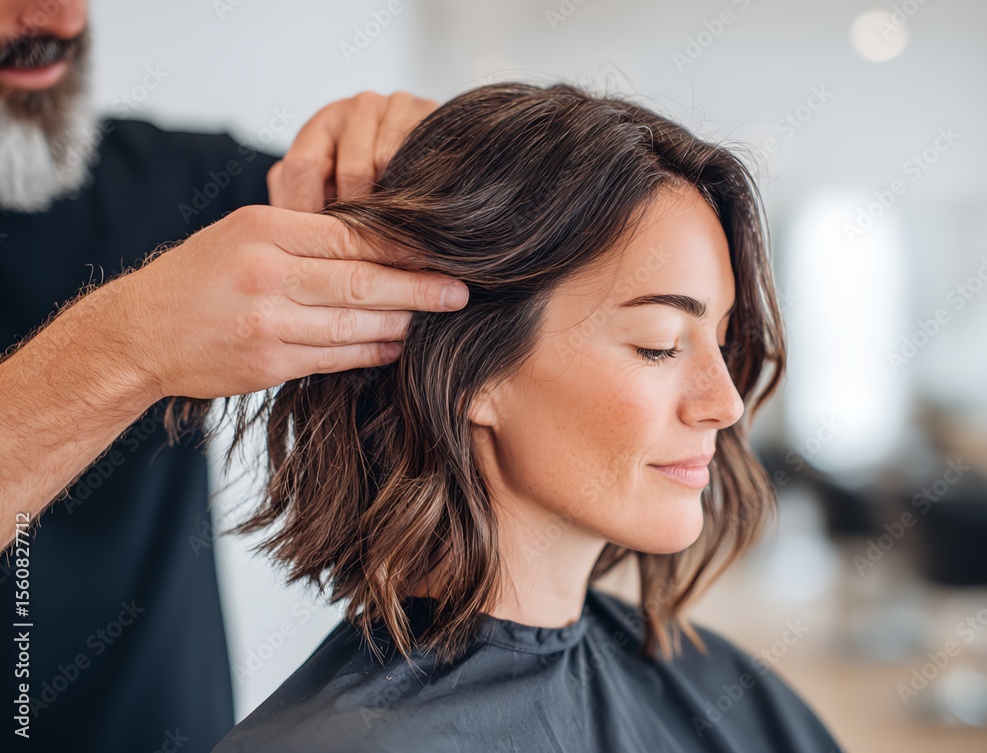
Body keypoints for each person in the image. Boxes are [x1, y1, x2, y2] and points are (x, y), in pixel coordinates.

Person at [206, 83, 846, 752]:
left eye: (721, 338)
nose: (726, 401)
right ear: (469, 371)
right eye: (658, 343)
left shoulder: (732, 696)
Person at [0, 2, 468, 751]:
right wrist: (126, 343)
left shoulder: (189, 189)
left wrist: (438, 154)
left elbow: (446, 244)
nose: (53, 16)